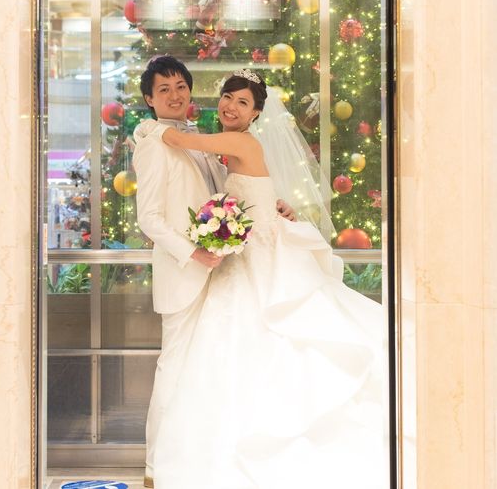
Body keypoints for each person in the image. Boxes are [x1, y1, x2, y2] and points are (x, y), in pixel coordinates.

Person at [137, 69, 385, 489]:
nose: (231, 106)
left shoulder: (236, 142)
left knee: (262, 345)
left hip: (256, 262)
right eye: (228, 97)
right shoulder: (230, 145)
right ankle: (177, 460)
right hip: (232, 260)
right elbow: (231, 196)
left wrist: (148, 128)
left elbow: (178, 140)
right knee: (236, 352)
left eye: (243, 102)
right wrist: (273, 205)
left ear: (255, 114)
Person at [132, 57, 295, 488]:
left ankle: (199, 463)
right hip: (187, 273)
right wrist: (194, 253)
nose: (175, 95)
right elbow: (149, 218)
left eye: (180, 86)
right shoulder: (154, 143)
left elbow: (230, 195)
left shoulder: (207, 140)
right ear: (149, 99)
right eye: (163, 89)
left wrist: (270, 206)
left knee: (210, 372)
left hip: (224, 274)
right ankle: (154, 470)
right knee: (174, 371)